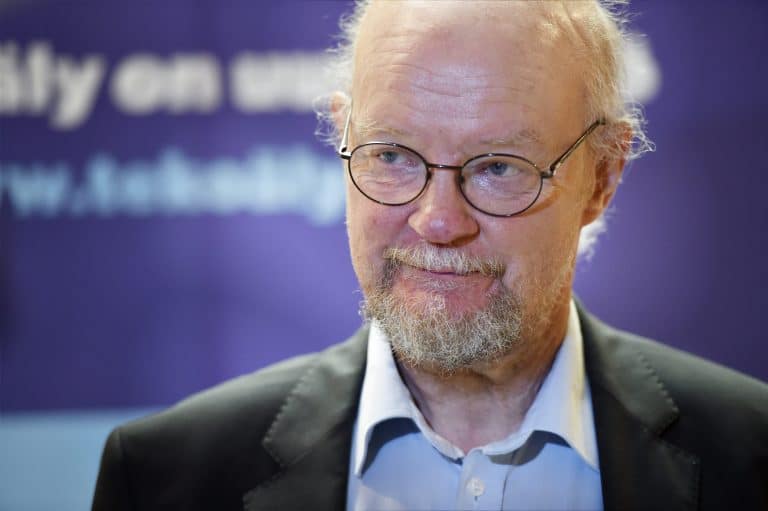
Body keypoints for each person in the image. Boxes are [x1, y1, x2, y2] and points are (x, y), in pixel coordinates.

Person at [92, 1, 768, 510]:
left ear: (602, 178)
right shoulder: (166, 479)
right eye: (391, 155)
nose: (438, 220)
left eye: (498, 167)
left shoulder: (751, 458)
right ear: (343, 138)